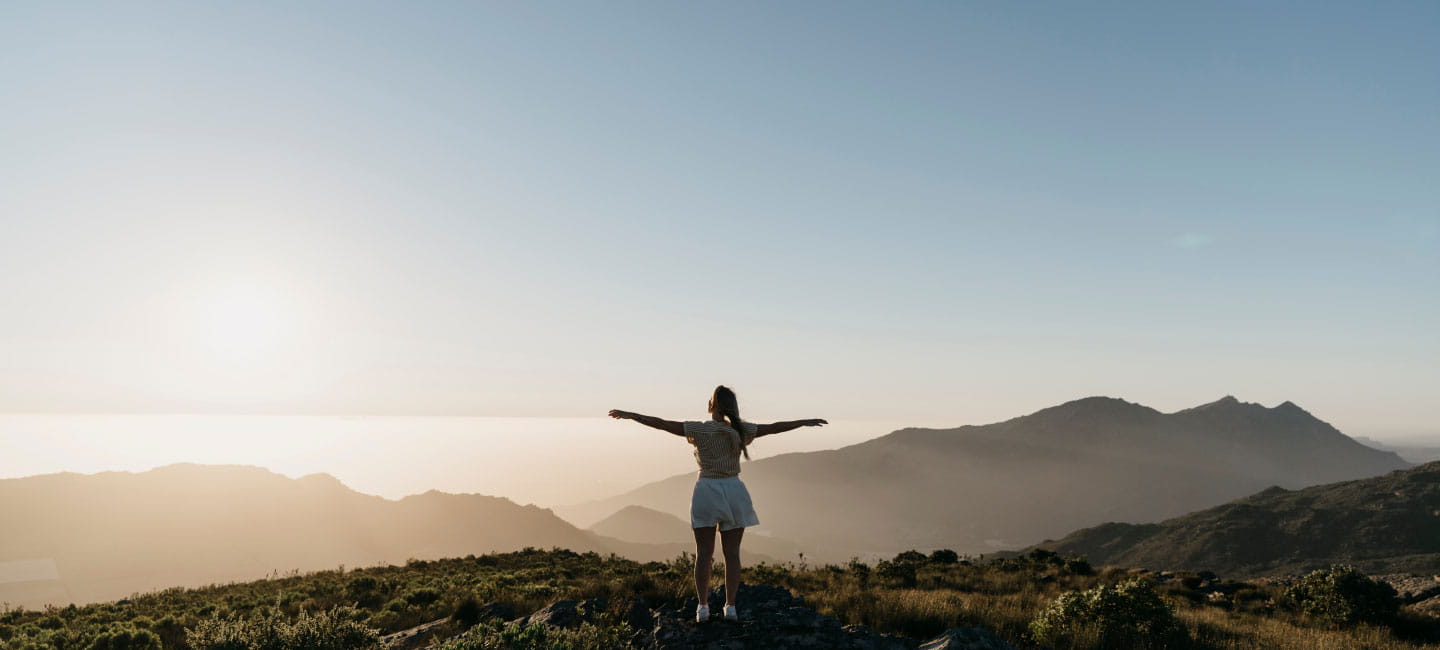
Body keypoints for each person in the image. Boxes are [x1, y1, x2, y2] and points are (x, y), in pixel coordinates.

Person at [608, 385, 827, 623]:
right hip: (734, 491)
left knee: (704, 554)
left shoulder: (698, 430)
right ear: (732, 407)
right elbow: (774, 428)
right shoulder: (741, 430)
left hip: (707, 491)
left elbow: (661, 423)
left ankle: (702, 607)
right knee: (732, 554)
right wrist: (803, 421)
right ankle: (730, 607)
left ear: (710, 405)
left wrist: (632, 416)